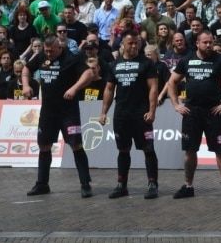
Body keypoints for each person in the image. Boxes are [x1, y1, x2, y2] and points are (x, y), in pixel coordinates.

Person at [167, 30, 221, 200]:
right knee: (190, 150)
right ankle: (188, 185)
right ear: (197, 44)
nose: (209, 45)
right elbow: (172, 82)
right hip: (191, 112)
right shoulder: (187, 60)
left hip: (213, 112)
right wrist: (176, 105)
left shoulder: (220, 60)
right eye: (205, 42)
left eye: (211, 42)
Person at [23, 35, 94, 198]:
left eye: (51, 51)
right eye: (46, 51)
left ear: (59, 48)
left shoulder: (72, 58)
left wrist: (75, 88)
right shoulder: (41, 55)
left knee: (76, 145)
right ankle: (42, 184)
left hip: (68, 112)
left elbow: (89, 74)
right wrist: (26, 85)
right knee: (44, 146)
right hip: (48, 111)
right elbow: (27, 69)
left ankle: (85, 184)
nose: (48, 54)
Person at [99, 30, 159, 200]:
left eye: (136, 43)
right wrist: (103, 112)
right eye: (130, 43)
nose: (133, 46)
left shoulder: (147, 63)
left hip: (141, 115)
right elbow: (109, 89)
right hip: (121, 116)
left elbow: (153, 88)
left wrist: (152, 111)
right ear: (122, 45)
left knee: (148, 149)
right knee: (123, 150)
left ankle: (153, 184)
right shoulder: (114, 65)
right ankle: (121, 185)